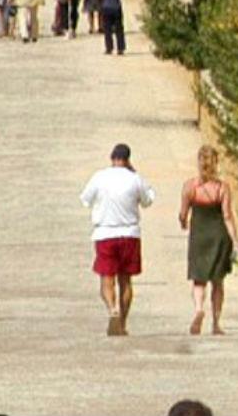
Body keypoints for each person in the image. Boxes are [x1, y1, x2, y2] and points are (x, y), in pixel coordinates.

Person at [81, 143, 155, 336]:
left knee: (107, 279)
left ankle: (112, 309)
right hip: (129, 233)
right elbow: (148, 200)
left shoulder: (100, 177)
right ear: (127, 159)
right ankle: (122, 322)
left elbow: (85, 199)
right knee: (126, 281)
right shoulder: (134, 178)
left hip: (105, 233)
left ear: (112, 158)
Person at [179, 146, 238, 335]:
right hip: (219, 237)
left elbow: (183, 214)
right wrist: (235, 240)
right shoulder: (222, 188)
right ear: (216, 163)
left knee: (199, 280)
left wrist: (183, 223)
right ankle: (216, 323)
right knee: (218, 282)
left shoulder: (190, 187)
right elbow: (227, 216)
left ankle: (198, 309)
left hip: (199, 236)